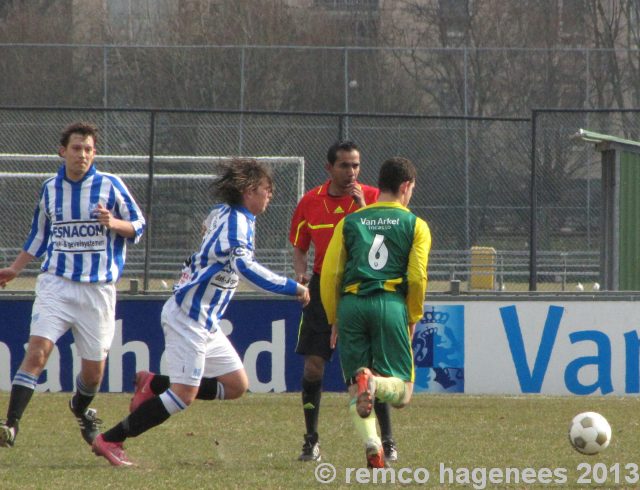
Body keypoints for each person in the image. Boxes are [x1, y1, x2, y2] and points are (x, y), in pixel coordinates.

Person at [91, 158, 310, 467]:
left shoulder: (229, 214)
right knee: (183, 395)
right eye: (266, 189)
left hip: (205, 320)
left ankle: (153, 384)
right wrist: (294, 288)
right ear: (249, 190)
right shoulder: (236, 225)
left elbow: (208, 229)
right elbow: (247, 270)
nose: (269, 195)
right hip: (188, 317)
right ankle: (112, 439)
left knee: (236, 385)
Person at [0, 122, 146, 448]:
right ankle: (10, 426)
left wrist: (114, 222)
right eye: (77, 148)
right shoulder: (50, 188)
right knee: (37, 353)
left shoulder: (110, 185)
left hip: (97, 291)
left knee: (93, 373)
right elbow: (39, 235)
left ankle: (80, 408)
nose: (82, 154)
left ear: (95, 154)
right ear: (62, 151)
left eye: (88, 149)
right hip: (56, 284)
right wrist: (15, 268)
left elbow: (138, 225)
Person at [290, 141, 399, 462]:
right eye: (344, 166)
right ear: (329, 168)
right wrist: (301, 275)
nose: (351, 172)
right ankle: (311, 440)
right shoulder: (310, 201)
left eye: (355, 165)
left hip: (362, 287)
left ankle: (387, 440)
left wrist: (364, 205)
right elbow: (300, 245)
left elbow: (388, 241)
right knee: (313, 366)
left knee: (371, 371)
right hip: (324, 286)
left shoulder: (374, 197)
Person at [320, 156, 431, 468]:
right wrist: (412, 316)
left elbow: (330, 275)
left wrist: (334, 317)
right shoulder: (415, 225)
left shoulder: (351, 221)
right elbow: (417, 276)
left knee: (356, 384)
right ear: (406, 187)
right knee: (404, 393)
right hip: (389, 303)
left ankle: (372, 444)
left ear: (379, 185)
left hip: (352, 304)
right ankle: (377, 384)